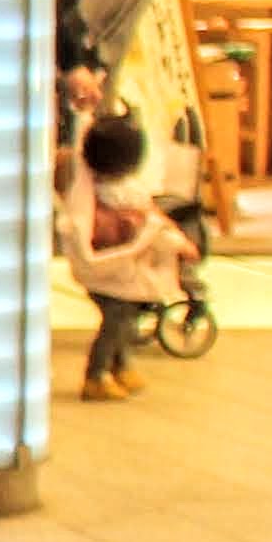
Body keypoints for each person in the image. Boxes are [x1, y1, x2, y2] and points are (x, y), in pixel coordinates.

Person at [61, 113, 187, 403]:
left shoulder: (92, 186)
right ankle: (96, 375)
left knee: (122, 318)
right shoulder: (121, 193)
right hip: (113, 273)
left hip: (108, 271)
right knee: (117, 320)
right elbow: (150, 221)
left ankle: (120, 366)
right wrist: (178, 242)